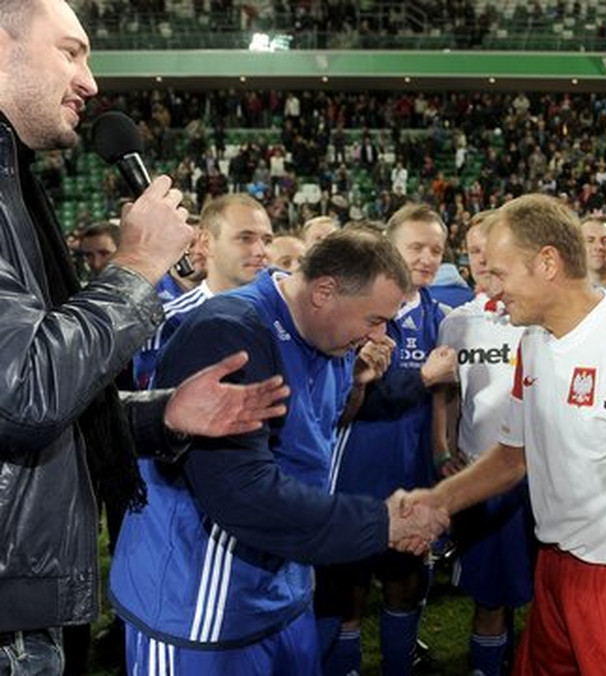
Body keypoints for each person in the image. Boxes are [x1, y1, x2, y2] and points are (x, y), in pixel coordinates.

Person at [0, 0, 288, 671]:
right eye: (71, 51)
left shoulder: (17, 181)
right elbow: (23, 396)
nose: (91, 81)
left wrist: (162, 414)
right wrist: (135, 268)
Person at [109, 228, 450, 674]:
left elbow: (321, 429)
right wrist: (380, 522)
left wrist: (358, 386)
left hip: (283, 592)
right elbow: (242, 492)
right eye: (373, 319)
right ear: (325, 290)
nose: (381, 333)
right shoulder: (228, 332)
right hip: (202, 609)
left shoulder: (329, 334)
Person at [408, 194, 606, 676]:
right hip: (554, 571)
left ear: (547, 262)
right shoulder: (534, 339)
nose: (493, 290)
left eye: (500, 273)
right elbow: (511, 457)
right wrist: (434, 503)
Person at [321, 203, 457, 676]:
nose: (426, 257)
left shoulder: (444, 316)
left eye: (436, 249)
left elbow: (445, 397)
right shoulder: (353, 313)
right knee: (347, 589)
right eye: (415, 246)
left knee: (406, 582)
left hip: (413, 473)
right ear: (388, 247)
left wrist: (443, 449)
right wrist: (421, 377)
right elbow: (350, 402)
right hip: (355, 472)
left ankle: (400, 665)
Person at [431, 212, 534, 676]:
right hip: (486, 475)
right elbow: (448, 394)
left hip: (545, 476)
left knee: (549, 594)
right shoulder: (456, 322)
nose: (486, 262)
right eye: (477, 253)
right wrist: (444, 449)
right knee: (490, 597)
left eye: (496, 251)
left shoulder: (540, 318)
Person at [132, 193, 274, 389]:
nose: (261, 251)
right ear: (206, 243)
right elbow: (155, 409)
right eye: (245, 238)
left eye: (266, 240)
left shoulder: (286, 314)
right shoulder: (171, 321)